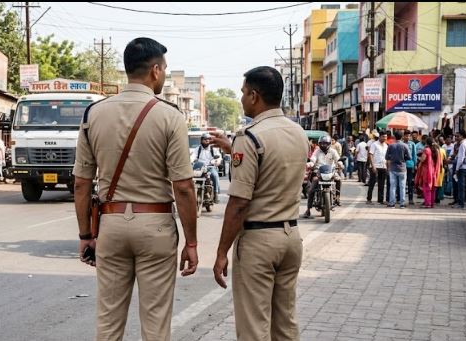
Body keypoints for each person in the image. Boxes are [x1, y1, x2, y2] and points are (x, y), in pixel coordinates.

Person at [73, 37, 198, 341]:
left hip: (111, 225)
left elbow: (81, 182)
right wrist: (192, 242)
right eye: (164, 69)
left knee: (108, 322)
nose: (165, 74)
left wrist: (85, 236)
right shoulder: (170, 116)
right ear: (155, 71)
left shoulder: (94, 113)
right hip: (155, 227)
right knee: (155, 324)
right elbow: (182, 187)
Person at [212, 66, 308, 341]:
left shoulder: (250, 136)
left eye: (243, 93)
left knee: (254, 327)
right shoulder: (297, 132)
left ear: (254, 96)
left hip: (259, 242)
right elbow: (273, 167)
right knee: (285, 323)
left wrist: (221, 252)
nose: (241, 98)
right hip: (290, 237)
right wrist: (232, 150)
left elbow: (240, 203)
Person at [301, 135, 341, 218]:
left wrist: (340, 164)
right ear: (319, 144)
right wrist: (309, 164)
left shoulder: (333, 151)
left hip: (331, 172)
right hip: (318, 173)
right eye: (322, 143)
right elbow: (313, 160)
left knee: (339, 180)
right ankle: (308, 209)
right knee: (312, 189)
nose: (324, 145)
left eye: (326, 143)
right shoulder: (317, 151)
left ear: (329, 144)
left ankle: (337, 197)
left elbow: (338, 160)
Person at [191, 133, 222, 203]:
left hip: (210, 167)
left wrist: (217, 161)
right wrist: (190, 161)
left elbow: (219, 157)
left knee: (215, 175)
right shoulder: (197, 149)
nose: (207, 141)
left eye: (208, 139)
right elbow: (193, 156)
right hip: (200, 168)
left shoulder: (213, 149)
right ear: (201, 140)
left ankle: (216, 194)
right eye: (205, 139)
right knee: (191, 178)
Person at [385, 132, 410, 208]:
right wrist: (403, 159)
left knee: (393, 186)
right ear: (402, 137)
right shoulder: (405, 145)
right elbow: (409, 157)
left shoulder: (391, 145)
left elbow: (386, 157)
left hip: (393, 168)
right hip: (402, 168)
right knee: (402, 187)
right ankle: (402, 204)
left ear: (394, 137)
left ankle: (392, 203)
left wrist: (392, 158)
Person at [367, 131, 389, 205]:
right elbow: (371, 155)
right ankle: (369, 199)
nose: (385, 138)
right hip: (375, 166)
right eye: (383, 137)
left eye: (386, 137)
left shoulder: (386, 145)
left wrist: (387, 167)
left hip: (383, 166)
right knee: (372, 183)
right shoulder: (374, 144)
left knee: (381, 184)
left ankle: (380, 200)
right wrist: (373, 166)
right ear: (380, 137)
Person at [453, 130, 466, 209]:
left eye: (458, 136)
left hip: (462, 168)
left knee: (461, 187)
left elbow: (460, 158)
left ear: (462, 136)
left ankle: (461, 204)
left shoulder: (462, 144)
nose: (457, 138)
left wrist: (457, 169)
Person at [403, 131, 417, 206]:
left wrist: (415, 165)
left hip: (410, 165)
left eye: (409, 136)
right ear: (403, 136)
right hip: (402, 166)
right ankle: (401, 199)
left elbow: (414, 155)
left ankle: (411, 199)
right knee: (402, 183)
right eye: (406, 136)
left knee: (410, 183)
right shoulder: (401, 144)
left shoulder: (412, 144)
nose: (407, 137)